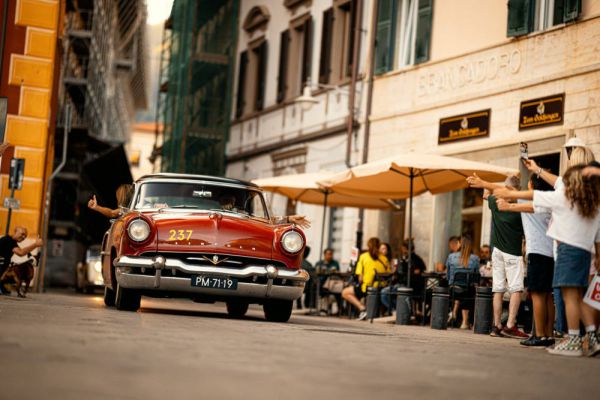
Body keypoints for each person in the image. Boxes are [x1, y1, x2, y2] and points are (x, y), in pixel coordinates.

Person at [495, 165, 600, 357]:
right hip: (585, 253)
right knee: (580, 296)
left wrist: (507, 196)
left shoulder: (564, 197)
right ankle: (593, 337)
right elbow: (598, 237)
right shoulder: (593, 204)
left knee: (570, 298)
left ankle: (574, 340)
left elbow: (535, 195)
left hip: (568, 251)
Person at [497, 174, 556, 347]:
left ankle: (538, 335)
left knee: (537, 294)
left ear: (531, 185)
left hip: (537, 252)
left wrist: (483, 184)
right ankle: (548, 334)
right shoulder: (551, 201)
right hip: (551, 253)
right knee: (547, 296)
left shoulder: (529, 199)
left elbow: (507, 191)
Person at [467, 174, 527, 339]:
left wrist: (486, 182)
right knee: (516, 288)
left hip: (497, 251)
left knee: (498, 289)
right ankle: (510, 325)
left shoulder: (495, 202)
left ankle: (496, 326)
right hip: (513, 252)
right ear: (518, 190)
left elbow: (487, 194)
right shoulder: (520, 207)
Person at [342, 237, 390, 320]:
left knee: (345, 292)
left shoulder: (363, 257)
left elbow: (360, 277)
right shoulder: (384, 258)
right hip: (381, 287)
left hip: (367, 287)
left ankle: (362, 309)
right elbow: (388, 273)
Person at [445, 235, 479, 329]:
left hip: (453, 290)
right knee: (468, 290)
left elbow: (447, 275)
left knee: (458, 289)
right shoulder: (475, 258)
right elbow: (476, 276)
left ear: (459, 244)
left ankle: (454, 313)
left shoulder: (451, 256)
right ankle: (464, 322)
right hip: (468, 291)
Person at [0, 226, 43, 295]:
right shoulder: (8, 240)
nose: (23, 237)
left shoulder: (11, 242)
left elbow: (23, 252)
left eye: (25, 236)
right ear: (15, 232)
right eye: (22, 234)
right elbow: (21, 252)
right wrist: (35, 244)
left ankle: (3, 286)